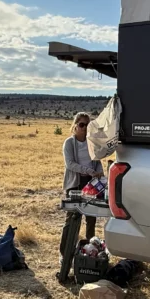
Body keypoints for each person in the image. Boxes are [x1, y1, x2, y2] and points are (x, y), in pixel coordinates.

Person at [57, 112, 104, 282]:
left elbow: (97, 160)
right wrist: (89, 171)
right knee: (72, 219)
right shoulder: (69, 143)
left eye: (87, 125)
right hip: (75, 183)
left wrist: (99, 174)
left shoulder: (92, 143)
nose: (84, 128)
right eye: (82, 125)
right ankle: (64, 255)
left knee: (91, 218)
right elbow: (69, 164)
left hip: (91, 184)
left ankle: (89, 253)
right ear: (75, 125)